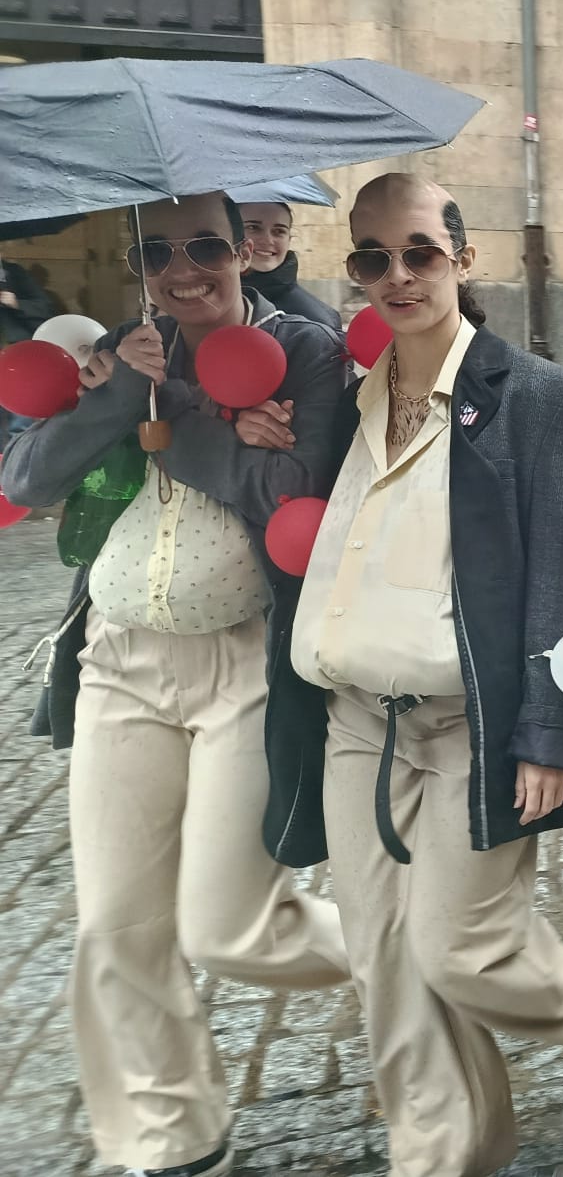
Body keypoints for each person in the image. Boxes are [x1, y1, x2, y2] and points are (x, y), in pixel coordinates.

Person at [292, 172, 563, 1175]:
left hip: (472, 721)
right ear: (354, 269)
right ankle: (444, 1154)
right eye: (372, 258)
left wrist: (554, 735)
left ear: (462, 256)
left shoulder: (540, 400)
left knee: (460, 947)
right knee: (385, 964)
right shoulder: (345, 403)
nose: (396, 276)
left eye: (419, 253)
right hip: (357, 721)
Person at [1, 192, 350, 1177]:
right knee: (117, 927)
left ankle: (413, 951)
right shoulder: (115, 352)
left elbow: (292, 501)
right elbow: (27, 480)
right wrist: (124, 398)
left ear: (244, 246)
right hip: (120, 664)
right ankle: (173, 1138)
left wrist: (187, 416)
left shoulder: (307, 353)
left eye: (205, 244)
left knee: (229, 926)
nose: (183, 269)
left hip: (243, 663)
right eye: (158, 250)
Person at [239, 200, 341, 328]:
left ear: (289, 240)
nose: (268, 240)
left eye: (279, 231)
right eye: (253, 228)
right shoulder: (211, 302)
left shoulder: (315, 321)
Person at [1, 251, 57, 443]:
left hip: (16, 356)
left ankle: (16, 462)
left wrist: (14, 302)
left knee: (18, 417)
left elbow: (44, 308)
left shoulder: (14, 273)